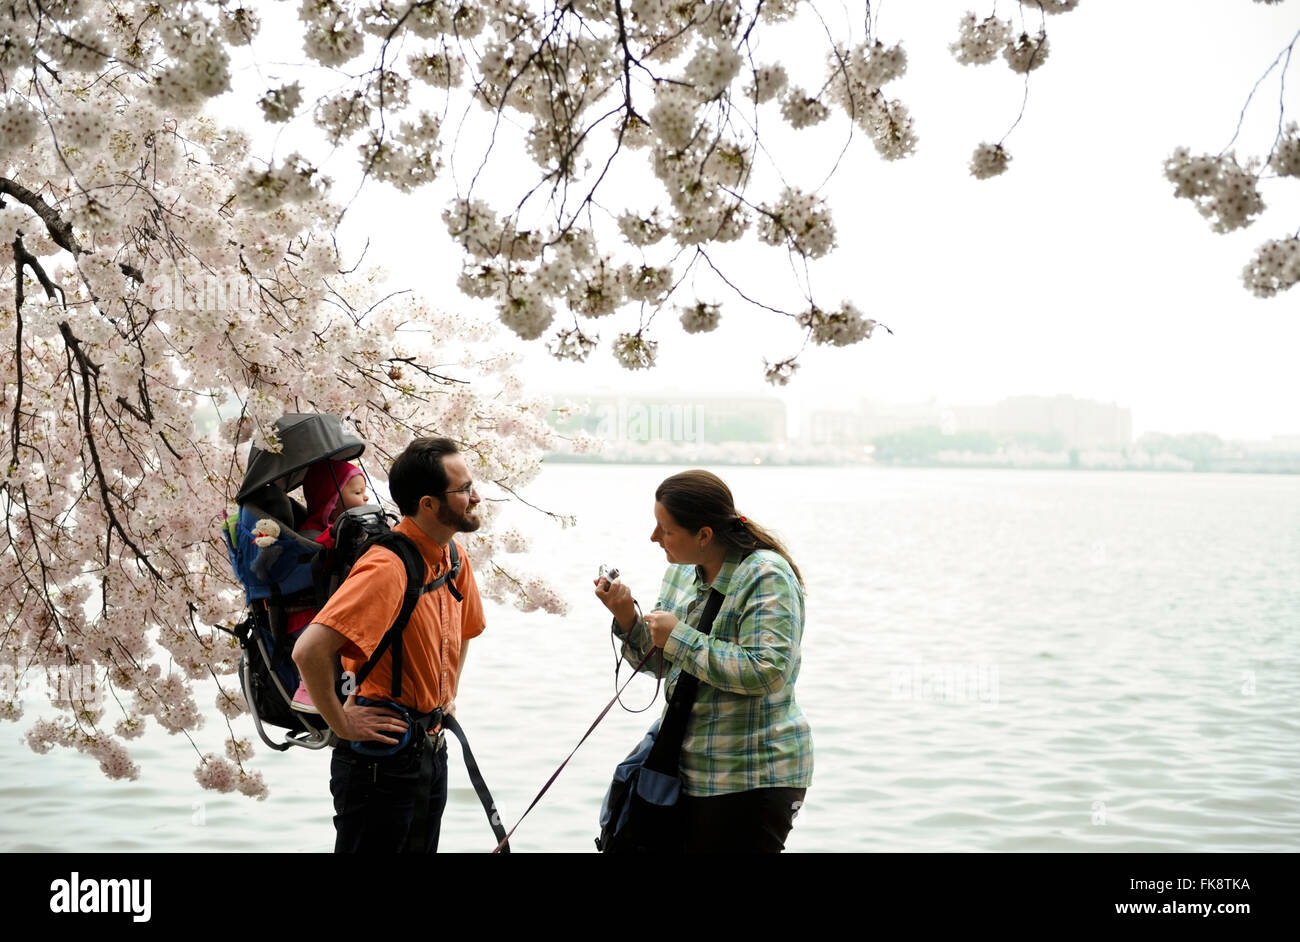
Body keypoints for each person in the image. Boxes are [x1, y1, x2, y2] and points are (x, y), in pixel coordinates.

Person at [594, 469, 813, 853]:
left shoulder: (765, 574)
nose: (654, 537)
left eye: (665, 529)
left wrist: (679, 636)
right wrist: (626, 616)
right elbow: (663, 665)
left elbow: (767, 671)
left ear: (704, 535)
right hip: (687, 769)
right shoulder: (680, 573)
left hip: (751, 775)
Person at [292, 437, 486, 853]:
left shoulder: (453, 557)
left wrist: (446, 694)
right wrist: (342, 726)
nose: (476, 496)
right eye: (463, 489)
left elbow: (465, 631)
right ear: (429, 504)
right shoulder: (387, 566)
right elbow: (309, 651)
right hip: (379, 761)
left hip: (430, 749)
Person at [286, 459, 370, 713]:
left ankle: (351, 689)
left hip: (332, 604)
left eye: (364, 492)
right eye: (357, 493)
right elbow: (320, 553)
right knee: (322, 651)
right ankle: (307, 688)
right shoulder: (312, 534)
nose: (365, 498)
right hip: (307, 613)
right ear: (331, 502)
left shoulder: (344, 529)